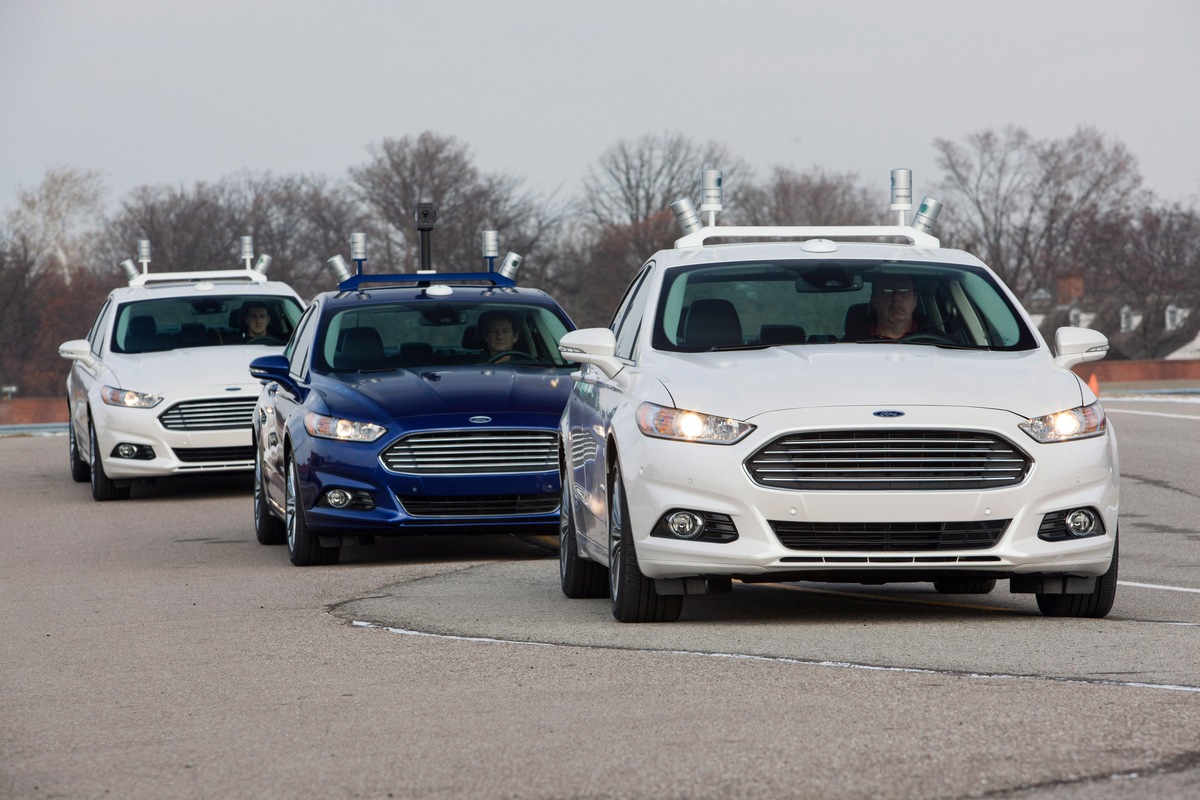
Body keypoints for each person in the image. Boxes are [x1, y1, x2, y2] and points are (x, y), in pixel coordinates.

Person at [868, 274, 921, 340]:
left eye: (904, 291)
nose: (896, 298)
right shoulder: (854, 341)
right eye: (887, 291)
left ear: (915, 298)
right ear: (874, 300)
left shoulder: (933, 340)